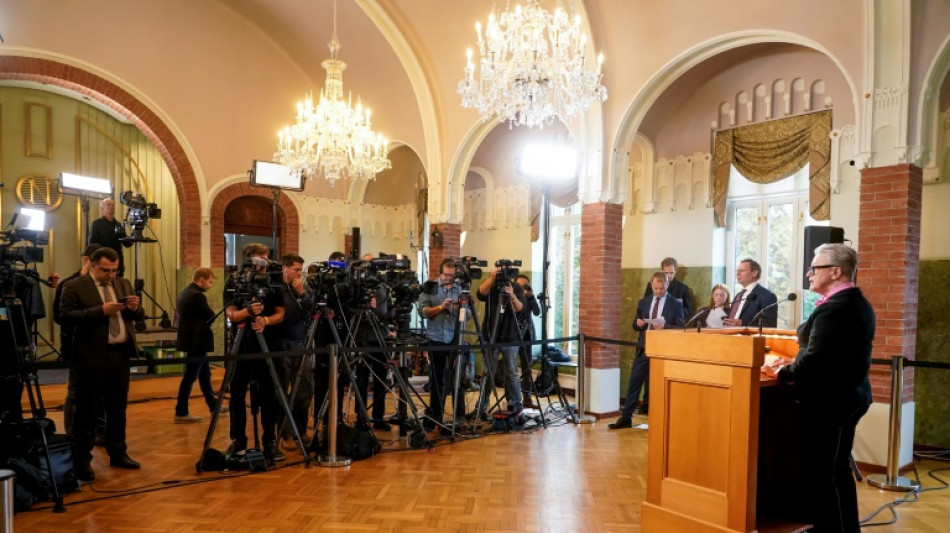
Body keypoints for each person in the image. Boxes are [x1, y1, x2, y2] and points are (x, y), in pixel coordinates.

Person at [763, 244, 874, 533]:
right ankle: (845, 528)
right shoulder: (854, 301)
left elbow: (814, 361)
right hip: (848, 397)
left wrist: (783, 372)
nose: (809, 273)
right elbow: (830, 353)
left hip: (828, 401)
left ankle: (828, 529)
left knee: (820, 474)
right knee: (837, 470)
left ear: (836, 271)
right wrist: (794, 361)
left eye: (815, 267)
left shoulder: (837, 308)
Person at [59, 247, 145, 481]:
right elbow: (65, 317)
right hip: (91, 357)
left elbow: (138, 317)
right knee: (87, 412)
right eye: (106, 270)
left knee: (118, 409)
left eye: (115, 270)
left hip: (120, 356)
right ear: (93, 265)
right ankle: (82, 462)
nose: (111, 275)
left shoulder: (124, 283)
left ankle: (118, 453)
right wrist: (101, 311)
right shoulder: (74, 286)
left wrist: (135, 309)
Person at [224, 242, 286, 463]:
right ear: (248, 258)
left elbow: (281, 313)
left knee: (270, 393)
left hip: (268, 343)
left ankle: (270, 440)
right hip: (242, 343)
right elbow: (231, 313)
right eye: (261, 257)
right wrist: (247, 312)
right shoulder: (234, 280)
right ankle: (238, 440)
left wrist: (265, 320)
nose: (265, 262)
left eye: (267, 257)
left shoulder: (274, 280)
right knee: (237, 393)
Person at [608, 271, 685, 429]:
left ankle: (662, 421)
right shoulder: (644, 302)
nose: (658, 292)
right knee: (634, 382)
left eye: (662, 288)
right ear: (651, 285)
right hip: (644, 347)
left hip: (664, 350)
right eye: (656, 288)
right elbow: (635, 325)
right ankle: (626, 418)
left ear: (667, 285)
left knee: (659, 385)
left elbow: (681, 327)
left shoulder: (675, 304)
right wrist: (638, 324)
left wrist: (665, 327)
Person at [53, 243, 102, 435]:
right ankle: (71, 434)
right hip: (76, 345)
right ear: (87, 261)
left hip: (100, 346)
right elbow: (60, 316)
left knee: (100, 392)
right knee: (75, 391)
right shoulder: (69, 284)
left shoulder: (106, 285)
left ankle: (98, 431)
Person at [267, 254, 314, 450]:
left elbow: (311, 311)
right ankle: (284, 432)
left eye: (301, 270)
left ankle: (300, 431)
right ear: (285, 269)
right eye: (296, 269)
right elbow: (281, 315)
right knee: (282, 390)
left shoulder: (302, 288)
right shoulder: (276, 288)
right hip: (280, 344)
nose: (299, 273)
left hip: (300, 343)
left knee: (304, 389)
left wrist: (302, 293)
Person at [417, 258, 471, 428]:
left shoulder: (461, 288)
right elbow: (423, 312)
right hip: (436, 339)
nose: (449, 278)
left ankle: (459, 417)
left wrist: (458, 309)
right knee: (437, 380)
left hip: (456, 339)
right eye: (447, 275)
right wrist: (441, 307)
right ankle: (436, 416)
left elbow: (469, 314)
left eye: (452, 275)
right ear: (440, 272)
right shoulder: (430, 287)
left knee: (458, 380)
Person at [476, 265, 527, 417]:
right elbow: (480, 294)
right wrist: (491, 278)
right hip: (491, 334)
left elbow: (520, 308)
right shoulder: (491, 285)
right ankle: (482, 407)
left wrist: (512, 295)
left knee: (511, 373)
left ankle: (515, 406)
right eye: (500, 270)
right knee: (488, 372)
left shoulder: (516, 287)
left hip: (510, 336)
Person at [349, 253, 392, 431]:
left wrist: (388, 321)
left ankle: (378, 417)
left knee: (381, 378)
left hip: (380, 337)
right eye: (366, 264)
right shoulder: (354, 285)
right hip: (361, 337)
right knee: (362, 379)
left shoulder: (382, 285)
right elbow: (349, 309)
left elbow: (388, 310)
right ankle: (361, 417)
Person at [173, 267, 218, 423]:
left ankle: (214, 406)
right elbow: (211, 315)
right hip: (197, 342)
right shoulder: (197, 296)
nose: (211, 286)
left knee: (205, 375)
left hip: (191, 340)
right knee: (190, 377)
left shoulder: (185, 292)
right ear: (201, 280)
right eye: (210, 282)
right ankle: (181, 411)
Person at [88, 197, 131, 278]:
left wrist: (134, 234)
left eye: (113, 205)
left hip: (117, 262)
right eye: (108, 205)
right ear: (102, 207)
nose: (111, 207)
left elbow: (127, 244)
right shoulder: (97, 224)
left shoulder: (119, 225)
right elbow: (91, 244)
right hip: (103, 261)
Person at [515, 274, 541, 408]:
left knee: (527, 369)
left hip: (527, 336)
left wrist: (532, 297)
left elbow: (537, 312)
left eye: (524, 285)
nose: (522, 288)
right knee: (512, 369)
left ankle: (527, 398)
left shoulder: (529, 298)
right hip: (513, 336)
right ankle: (513, 399)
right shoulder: (512, 298)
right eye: (519, 285)